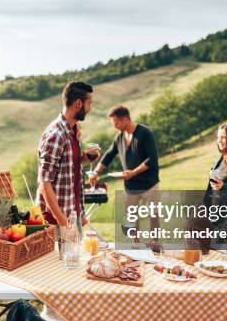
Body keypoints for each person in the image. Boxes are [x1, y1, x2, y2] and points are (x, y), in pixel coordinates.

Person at [90, 105, 160, 239]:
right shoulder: (120, 137)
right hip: (130, 187)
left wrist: (133, 172)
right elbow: (109, 155)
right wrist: (96, 172)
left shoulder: (145, 133)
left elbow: (152, 159)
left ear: (126, 119)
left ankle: (154, 244)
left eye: (116, 122)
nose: (115, 126)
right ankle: (136, 246)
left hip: (149, 185)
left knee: (153, 217)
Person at [37, 81, 98, 230]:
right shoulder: (56, 135)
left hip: (72, 215)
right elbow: (45, 183)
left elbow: (69, 169)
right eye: (89, 103)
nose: (89, 109)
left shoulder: (72, 131)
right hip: (56, 221)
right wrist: (62, 222)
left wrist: (85, 157)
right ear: (78, 103)